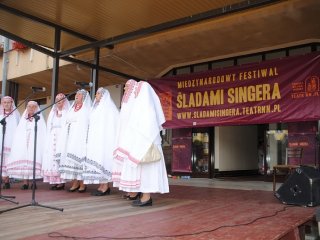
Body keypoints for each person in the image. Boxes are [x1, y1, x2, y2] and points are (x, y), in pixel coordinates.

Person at [113, 80, 169, 207]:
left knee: (147, 171)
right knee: (141, 170)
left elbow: (146, 125)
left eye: (128, 87)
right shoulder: (136, 104)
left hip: (147, 143)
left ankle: (146, 197)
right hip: (140, 141)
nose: (125, 89)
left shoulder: (145, 103)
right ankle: (143, 195)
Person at [83, 87, 119, 196]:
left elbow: (114, 124)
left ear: (103, 95)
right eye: (96, 93)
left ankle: (105, 186)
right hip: (95, 139)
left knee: (104, 161)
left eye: (98, 93)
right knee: (98, 160)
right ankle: (101, 185)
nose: (96, 95)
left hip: (105, 140)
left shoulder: (109, 108)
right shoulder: (95, 107)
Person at [7, 101, 46, 189]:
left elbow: (42, 132)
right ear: (27, 108)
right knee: (24, 161)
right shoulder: (23, 119)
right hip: (24, 144)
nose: (31, 108)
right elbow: (19, 132)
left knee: (33, 160)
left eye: (33, 107)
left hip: (34, 143)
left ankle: (33, 182)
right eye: (29, 106)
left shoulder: (39, 118)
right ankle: (25, 183)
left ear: (36, 108)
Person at [58, 89, 91, 193]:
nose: (77, 95)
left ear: (84, 97)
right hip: (70, 137)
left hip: (79, 138)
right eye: (76, 94)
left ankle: (82, 184)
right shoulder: (72, 108)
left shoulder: (86, 109)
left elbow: (85, 124)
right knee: (71, 161)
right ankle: (75, 182)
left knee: (79, 160)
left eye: (79, 94)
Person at [42, 93, 70, 190]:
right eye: (57, 99)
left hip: (61, 137)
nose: (58, 101)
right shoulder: (53, 112)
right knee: (52, 158)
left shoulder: (67, 112)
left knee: (59, 158)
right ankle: (54, 181)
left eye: (61, 99)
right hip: (52, 136)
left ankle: (61, 182)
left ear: (64, 101)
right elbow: (49, 125)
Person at [0, 96, 20, 189]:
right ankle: (5, 180)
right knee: (2, 160)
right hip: (1, 141)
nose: (7, 104)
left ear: (12, 103)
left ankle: (9, 179)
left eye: (8, 102)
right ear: (2, 104)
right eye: (5, 102)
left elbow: (19, 128)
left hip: (12, 142)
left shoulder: (16, 114)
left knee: (9, 160)